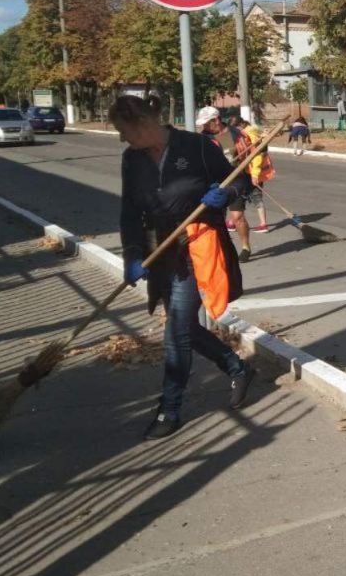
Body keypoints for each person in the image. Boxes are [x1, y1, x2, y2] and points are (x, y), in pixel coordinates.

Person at [112, 95, 255, 440]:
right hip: (159, 251)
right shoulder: (133, 159)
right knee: (185, 326)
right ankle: (236, 366)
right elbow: (130, 212)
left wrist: (224, 194)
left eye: (125, 131)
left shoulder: (196, 147)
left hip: (197, 244)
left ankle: (169, 409)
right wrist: (132, 253)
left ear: (143, 124)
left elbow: (241, 181)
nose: (123, 139)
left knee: (176, 327)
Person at [196, 106, 254, 261]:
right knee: (217, 219)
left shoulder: (235, 133)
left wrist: (247, 158)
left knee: (237, 216)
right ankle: (222, 247)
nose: (204, 127)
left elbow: (250, 152)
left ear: (216, 120)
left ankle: (245, 246)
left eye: (207, 123)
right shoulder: (204, 139)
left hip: (236, 180)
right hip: (216, 183)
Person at [232, 116, 274, 233]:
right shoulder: (253, 132)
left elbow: (257, 156)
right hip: (250, 172)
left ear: (240, 125)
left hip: (253, 172)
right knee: (240, 196)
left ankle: (263, 224)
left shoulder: (249, 135)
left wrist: (255, 175)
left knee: (255, 196)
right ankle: (234, 221)